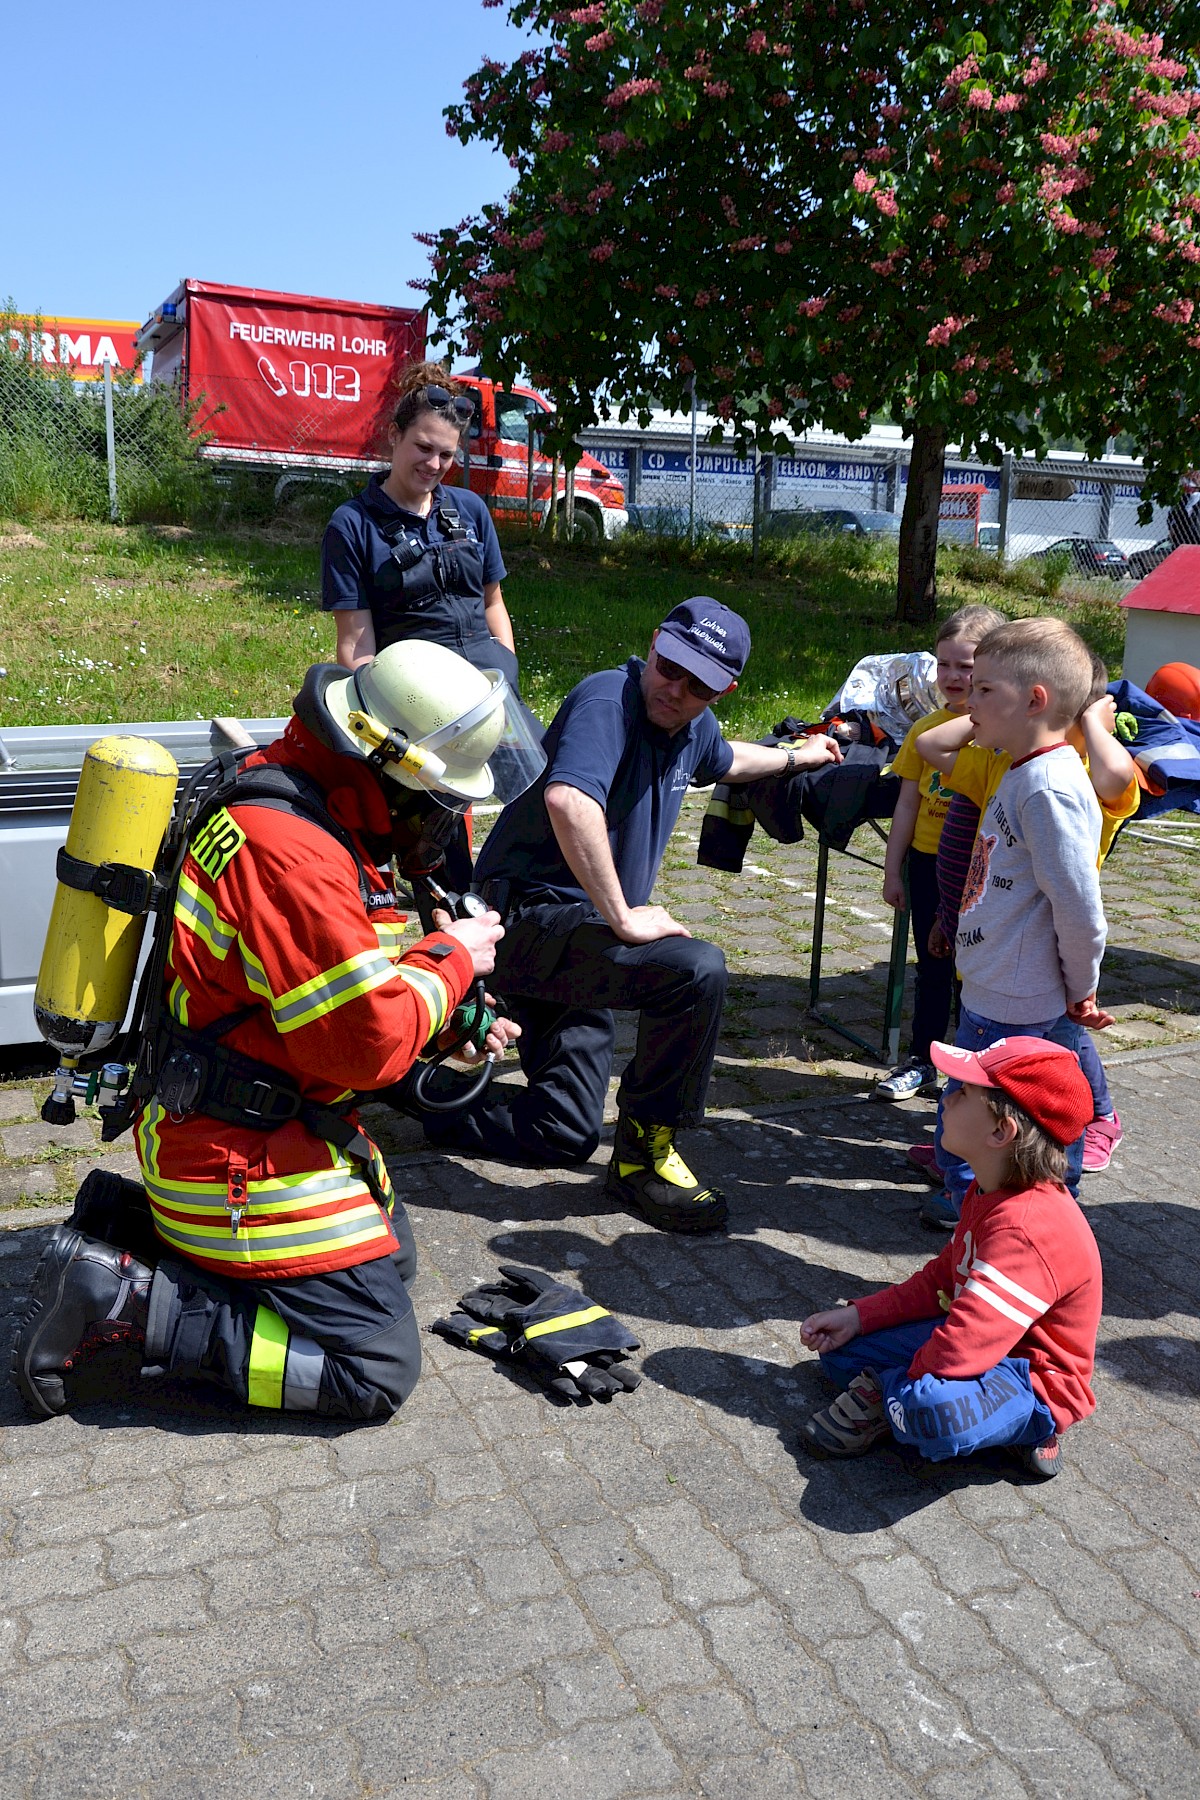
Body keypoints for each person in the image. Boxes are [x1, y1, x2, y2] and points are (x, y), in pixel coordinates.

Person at [11, 640, 545, 1423]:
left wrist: (445, 1022)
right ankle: (123, 1294)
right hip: (231, 1157)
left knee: (393, 1265)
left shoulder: (303, 792)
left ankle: (126, 1236)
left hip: (248, 1115)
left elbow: (341, 970)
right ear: (386, 766)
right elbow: (363, 1044)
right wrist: (453, 962)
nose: (445, 822)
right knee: (373, 1366)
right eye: (438, 802)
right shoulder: (290, 850)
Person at [424, 598, 844, 1233]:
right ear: (653, 644)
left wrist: (796, 756)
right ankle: (643, 1160)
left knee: (561, 1133)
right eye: (668, 665)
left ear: (723, 690)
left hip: (577, 942)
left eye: (698, 683)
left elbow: (726, 760)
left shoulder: (692, 726)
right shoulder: (607, 700)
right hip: (524, 924)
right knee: (693, 969)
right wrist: (622, 916)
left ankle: (410, 1085)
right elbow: (568, 801)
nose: (674, 689)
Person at [800, 1035, 1102, 1480]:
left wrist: (892, 1385)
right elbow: (944, 1280)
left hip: (1033, 1378)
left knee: (929, 1410)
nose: (947, 1097)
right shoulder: (990, 1188)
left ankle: (1034, 1427)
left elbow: (964, 1344)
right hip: (981, 1342)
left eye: (963, 1092)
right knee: (841, 1353)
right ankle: (896, 1399)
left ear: (1001, 1132)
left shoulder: (1027, 1227)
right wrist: (861, 1317)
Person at [911, 647, 1136, 1198]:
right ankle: (1057, 1198)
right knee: (1060, 1093)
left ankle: (977, 1216)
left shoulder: (1049, 789)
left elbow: (1080, 909)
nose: (969, 700)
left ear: (1035, 700)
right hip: (1014, 982)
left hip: (1010, 995)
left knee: (979, 1107)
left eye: (985, 690)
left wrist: (1082, 987)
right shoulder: (1022, 769)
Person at [874, 605, 1004, 1102]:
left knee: (974, 972)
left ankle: (975, 1064)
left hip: (982, 874)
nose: (953, 676)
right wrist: (893, 869)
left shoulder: (1000, 738)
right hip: (928, 865)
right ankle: (923, 1060)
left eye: (966, 667)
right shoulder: (924, 729)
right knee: (931, 967)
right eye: (943, 664)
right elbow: (907, 803)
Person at [322, 362, 517, 686]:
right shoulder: (352, 526)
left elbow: (493, 603)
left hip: (491, 688)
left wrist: (507, 671)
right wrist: (388, 707)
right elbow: (356, 646)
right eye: (424, 448)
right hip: (416, 695)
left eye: (446, 454)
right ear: (394, 435)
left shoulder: (471, 509)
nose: (433, 464)